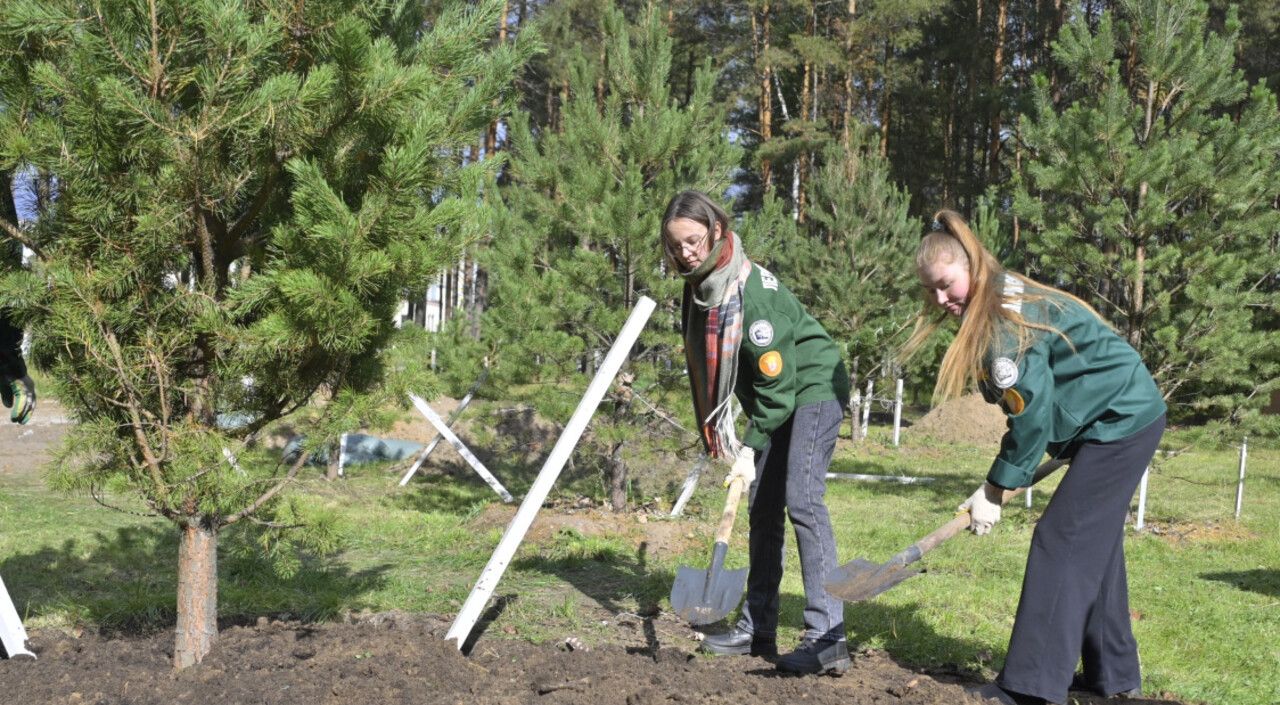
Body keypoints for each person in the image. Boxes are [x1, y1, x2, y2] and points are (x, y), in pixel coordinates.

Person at [903, 210, 1166, 705]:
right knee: (1094, 546)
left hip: (1120, 421)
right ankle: (1115, 675)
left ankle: (1031, 685)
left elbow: (1032, 417)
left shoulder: (1003, 325)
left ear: (971, 267)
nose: (940, 299)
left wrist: (996, 490)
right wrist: (994, 484)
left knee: (1062, 538)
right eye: (931, 290)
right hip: (1110, 419)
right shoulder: (997, 298)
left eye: (946, 284)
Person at [661, 190, 850, 676]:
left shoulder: (752, 297)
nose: (686, 253)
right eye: (676, 245)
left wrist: (748, 446)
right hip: (778, 396)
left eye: (694, 241)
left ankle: (827, 636)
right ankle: (757, 627)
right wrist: (751, 448)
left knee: (802, 499)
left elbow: (778, 388)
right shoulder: (704, 289)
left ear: (718, 231)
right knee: (762, 506)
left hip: (813, 386)